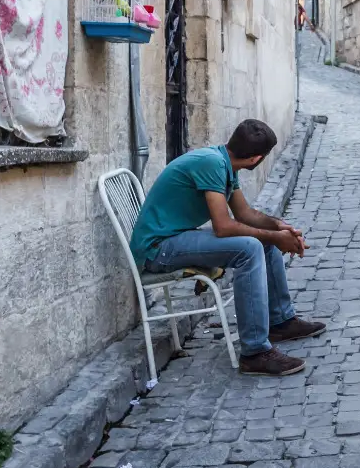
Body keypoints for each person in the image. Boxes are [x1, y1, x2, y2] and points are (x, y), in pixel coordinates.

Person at [129, 119, 324, 376]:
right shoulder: (212, 164)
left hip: (176, 239)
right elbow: (223, 226)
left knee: (263, 241)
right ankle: (255, 352)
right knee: (250, 248)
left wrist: (280, 228)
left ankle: (281, 321)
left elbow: (245, 214)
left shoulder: (223, 163)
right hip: (158, 249)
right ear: (256, 159)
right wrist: (274, 237)